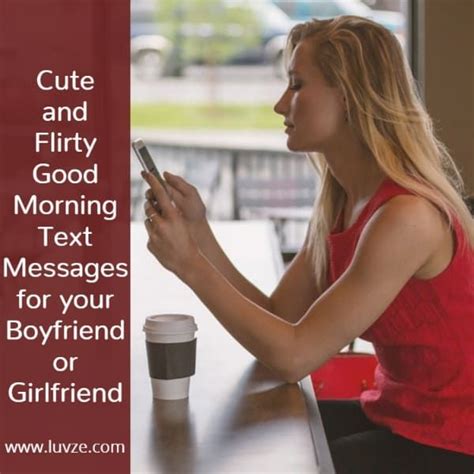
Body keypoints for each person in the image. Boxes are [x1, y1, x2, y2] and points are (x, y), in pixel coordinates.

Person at [142, 15, 474, 474]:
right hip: (396, 417)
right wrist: (200, 236)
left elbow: (293, 357)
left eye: (297, 85)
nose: (281, 104)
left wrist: (190, 266)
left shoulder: (406, 217)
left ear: (351, 97)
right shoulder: (344, 200)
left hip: (450, 445)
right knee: (246, 434)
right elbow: (283, 320)